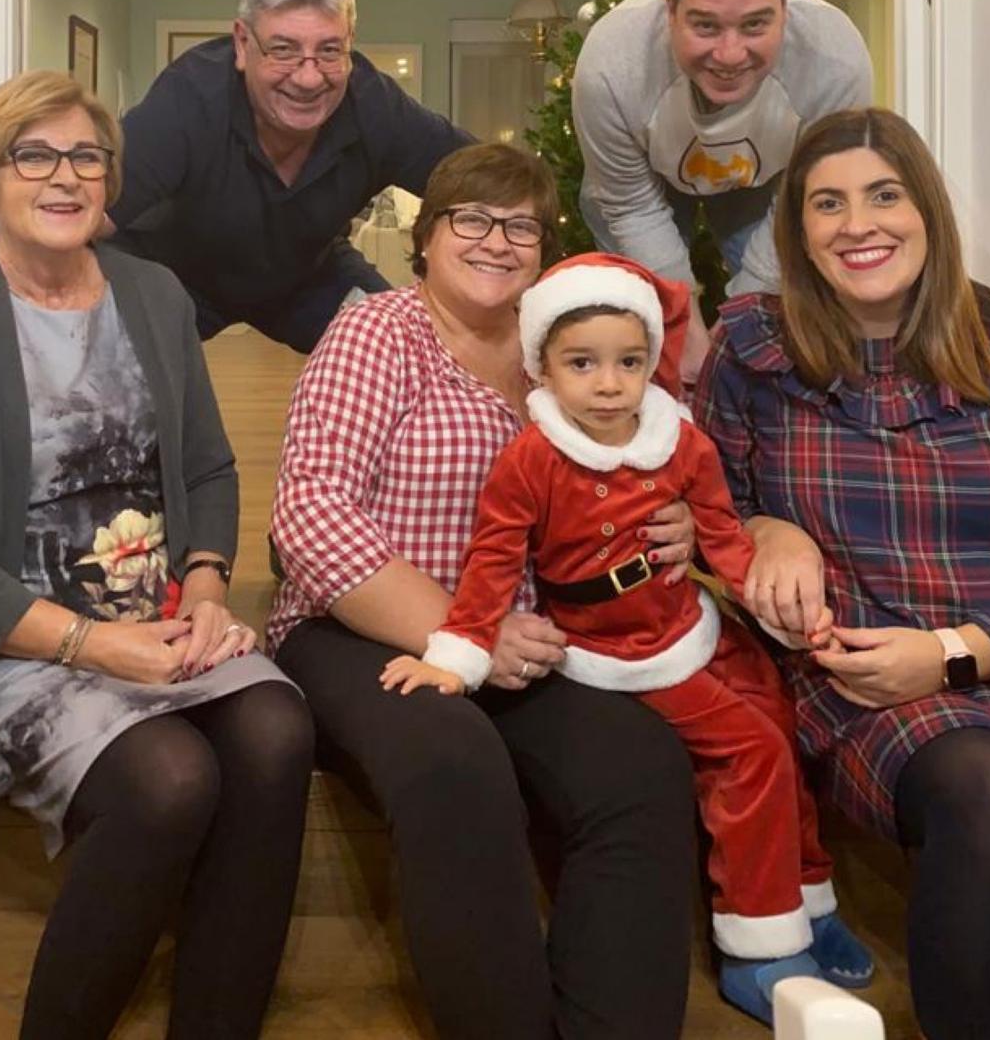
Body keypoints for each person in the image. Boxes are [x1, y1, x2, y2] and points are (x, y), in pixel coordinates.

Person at [0, 70, 314, 1040]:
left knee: (276, 731)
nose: (65, 177)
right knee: (171, 780)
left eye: (86, 157)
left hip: (156, 622)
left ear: (109, 182)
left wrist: (203, 587)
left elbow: (210, 467)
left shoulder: (152, 293)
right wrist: (100, 648)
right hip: (5, 651)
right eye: (35, 155)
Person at [267, 143, 700, 1040]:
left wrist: (680, 525)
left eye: (521, 226)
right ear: (425, 238)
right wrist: (467, 631)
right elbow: (309, 514)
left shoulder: (562, 356)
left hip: (529, 638)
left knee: (643, 770)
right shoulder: (378, 331)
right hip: (361, 631)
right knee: (455, 767)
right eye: (471, 218)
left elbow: (642, 473)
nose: (496, 241)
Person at [382, 251, 872, 1027]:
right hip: (616, 653)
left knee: (778, 712)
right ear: (543, 366)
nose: (609, 384)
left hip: (684, 623)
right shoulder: (531, 460)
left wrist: (771, 604)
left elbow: (721, 534)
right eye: (584, 363)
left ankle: (806, 895)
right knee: (749, 749)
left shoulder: (680, 442)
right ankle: (759, 943)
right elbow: (492, 562)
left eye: (629, 362)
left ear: (652, 363)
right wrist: (458, 653)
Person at [693, 107, 990, 1040]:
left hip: (969, 654)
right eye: (827, 204)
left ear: (927, 212)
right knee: (983, 792)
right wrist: (766, 526)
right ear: (798, 231)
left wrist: (955, 653)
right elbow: (695, 512)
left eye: (882, 195)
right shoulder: (754, 348)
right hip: (871, 694)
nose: (857, 224)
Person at [109, 0, 472, 352]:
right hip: (178, 273)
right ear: (243, 44)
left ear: (350, 43)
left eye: (329, 50)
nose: (308, 78)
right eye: (283, 49)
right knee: (109, 362)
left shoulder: (376, 107)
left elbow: (487, 183)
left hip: (307, 278)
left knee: (406, 351)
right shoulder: (189, 96)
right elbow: (90, 210)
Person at [572, 0, 872, 383]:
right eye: (705, 26)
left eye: (755, 25)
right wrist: (683, 324)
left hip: (773, 181)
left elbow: (807, 200)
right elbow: (630, 206)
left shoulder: (836, 62)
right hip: (647, 184)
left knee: (766, 320)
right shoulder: (610, 66)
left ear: (785, 13)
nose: (730, 55)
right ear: (669, 13)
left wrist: (737, 325)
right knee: (651, 321)